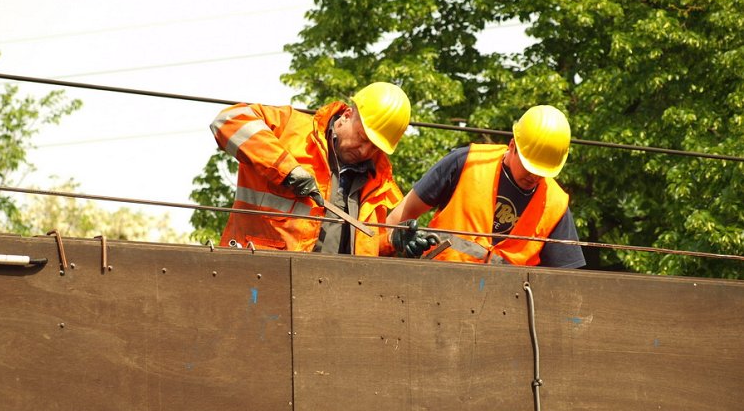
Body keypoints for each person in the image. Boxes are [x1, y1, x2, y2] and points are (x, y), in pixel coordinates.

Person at [210, 82, 411, 255]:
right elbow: (227, 120)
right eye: (362, 137)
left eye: (375, 147)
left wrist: (392, 242)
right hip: (260, 273)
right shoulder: (290, 128)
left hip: (337, 290)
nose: (365, 150)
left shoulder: (378, 183)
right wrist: (285, 169)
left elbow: (363, 247)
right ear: (347, 116)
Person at [387, 105, 586, 267]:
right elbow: (396, 219)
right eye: (529, 166)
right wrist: (397, 240)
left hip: (507, 304)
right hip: (438, 287)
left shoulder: (555, 204)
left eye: (543, 171)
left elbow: (567, 280)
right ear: (512, 145)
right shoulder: (466, 163)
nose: (534, 176)